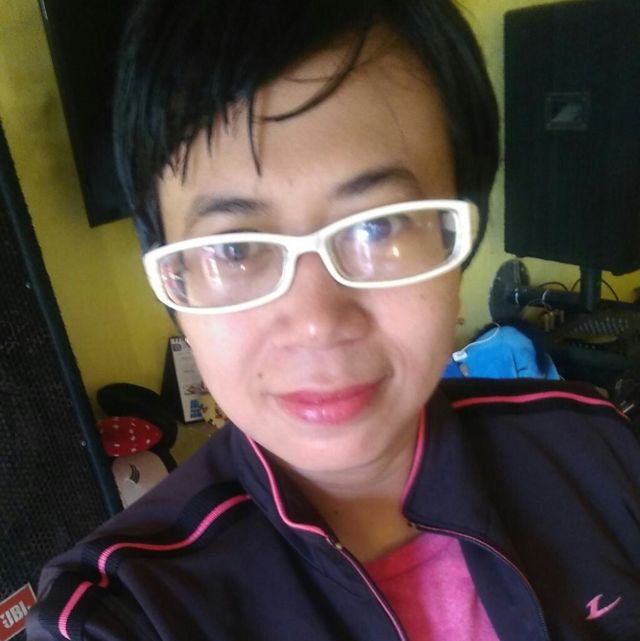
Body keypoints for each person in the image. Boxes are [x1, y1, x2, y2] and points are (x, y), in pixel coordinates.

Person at [28, 1, 640, 640]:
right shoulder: (120, 614)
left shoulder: (593, 449)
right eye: (234, 249)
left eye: (379, 226)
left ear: (457, 248)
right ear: (175, 290)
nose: (317, 322)